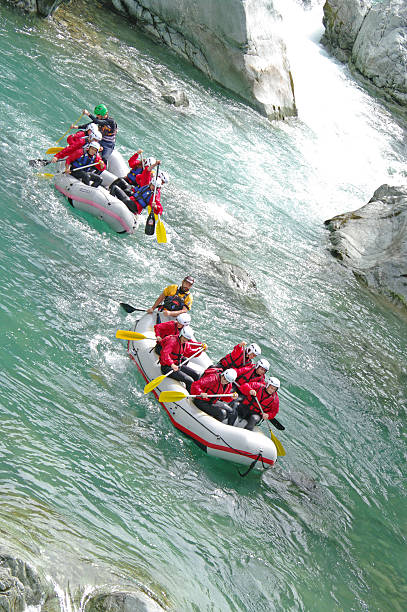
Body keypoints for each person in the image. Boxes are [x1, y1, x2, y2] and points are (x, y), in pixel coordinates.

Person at [159, 325, 203, 392]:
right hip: (167, 367)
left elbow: (189, 353)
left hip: (177, 365)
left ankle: (196, 391)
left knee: (197, 375)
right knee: (189, 380)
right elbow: (165, 354)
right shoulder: (172, 341)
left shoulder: (185, 343)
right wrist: (172, 364)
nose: (185, 340)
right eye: (184, 338)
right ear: (181, 334)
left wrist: (200, 350)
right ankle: (190, 396)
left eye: (187, 339)